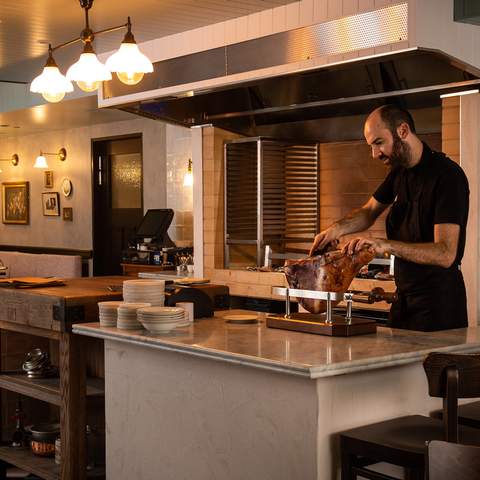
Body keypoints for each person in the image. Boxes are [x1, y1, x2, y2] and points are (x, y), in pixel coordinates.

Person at [309, 104, 469, 331]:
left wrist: (384, 245)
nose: (375, 154)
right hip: (404, 302)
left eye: (379, 143)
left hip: (439, 309)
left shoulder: (448, 176)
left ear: (403, 131)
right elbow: (369, 211)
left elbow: (445, 253)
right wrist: (335, 230)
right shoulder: (399, 172)